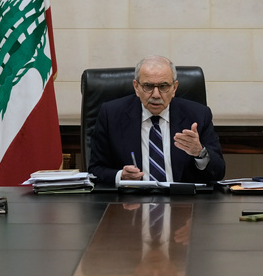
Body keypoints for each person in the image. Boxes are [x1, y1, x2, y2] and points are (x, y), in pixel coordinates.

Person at [89, 56, 225, 186]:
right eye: (148, 86)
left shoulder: (198, 115)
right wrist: (120, 176)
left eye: (163, 86)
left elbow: (218, 172)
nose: (155, 95)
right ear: (136, 87)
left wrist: (199, 153)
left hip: (182, 198)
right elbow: (95, 170)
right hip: (131, 199)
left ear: (174, 88)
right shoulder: (111, 115)